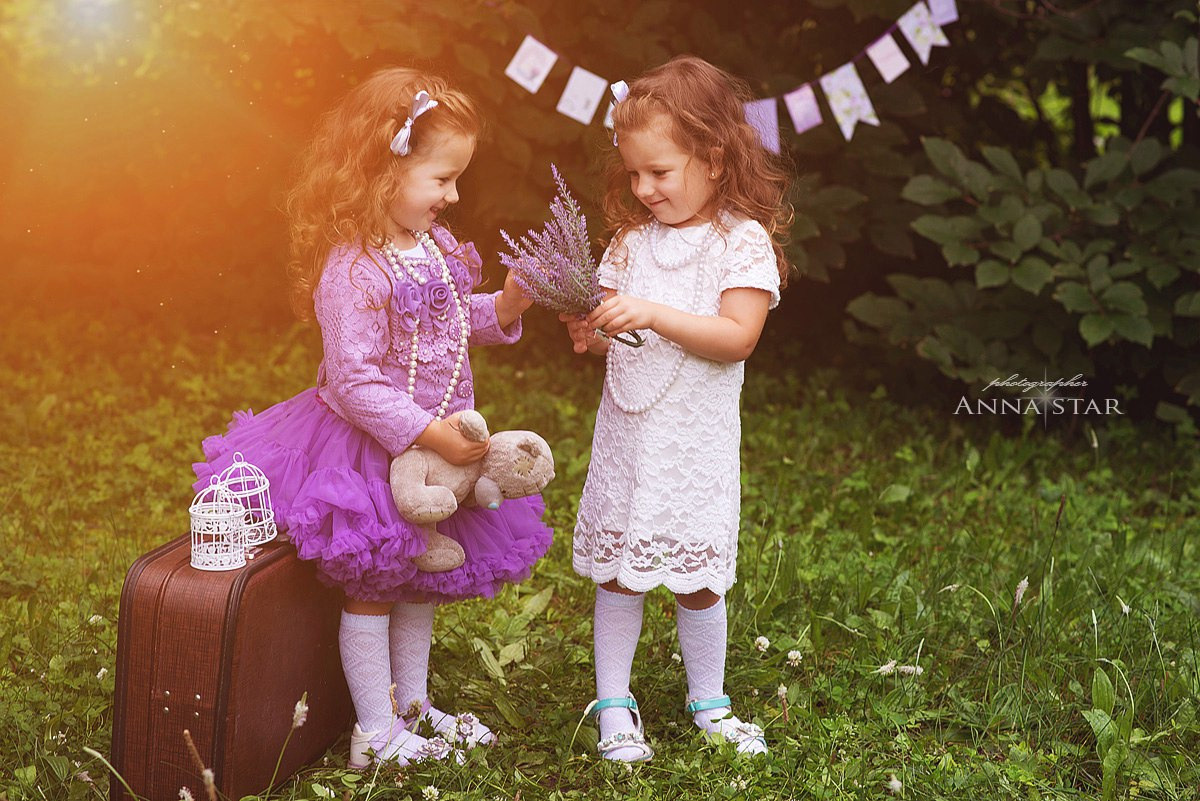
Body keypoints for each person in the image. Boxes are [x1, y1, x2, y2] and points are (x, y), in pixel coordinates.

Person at [193, 67, 552, 768]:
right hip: (368, 447)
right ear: (384, 172)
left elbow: (453, 321)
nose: (453, 196)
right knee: (377, 581)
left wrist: (506, 306)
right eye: (442, 179)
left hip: (434, 447)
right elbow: (354, 380)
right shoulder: (353, 269)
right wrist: (428, 431)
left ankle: (412, 706)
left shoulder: (433, 247)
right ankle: (374, 730)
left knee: (422, 579)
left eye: (457, 180)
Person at [561, 55, 792, 762]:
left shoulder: (739, 241)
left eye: (659, 171)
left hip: (693, 442)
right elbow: (617, 335)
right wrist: (593, 332)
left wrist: (653, 313)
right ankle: (613, 700)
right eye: (634, 173)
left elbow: (737, 337)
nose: (643, 188)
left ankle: (709, 700)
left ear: (714, 159)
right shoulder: (631, 243)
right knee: (619, 569)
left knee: (697, 577)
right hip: (631, 434)